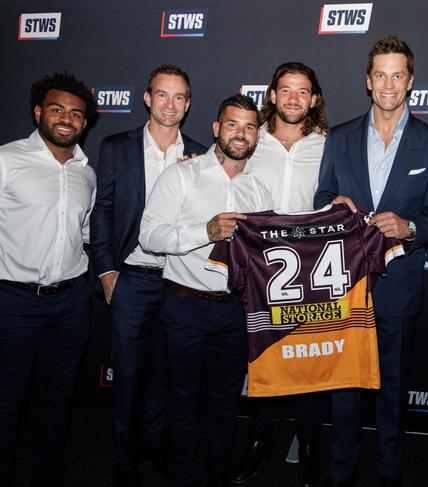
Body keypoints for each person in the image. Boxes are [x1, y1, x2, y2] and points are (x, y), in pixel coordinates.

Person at [314, 35, 428, 487]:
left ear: (410, 82)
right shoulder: (339, 137)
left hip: (399, 289)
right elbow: (320, 196)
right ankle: (341, 474)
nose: (388, 84)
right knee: (344, 393)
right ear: (367, 81)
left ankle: (390, 473)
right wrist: (331, 205)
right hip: (345, 287)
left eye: (398, 75)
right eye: (380, 75)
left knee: (392, 391)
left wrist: (410, 228)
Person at [139, 94, 273, 487]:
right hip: (185, 307)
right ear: (216, 129)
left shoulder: (259, 191)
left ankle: (215, 476)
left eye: (250, 127)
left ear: (256, 136)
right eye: (232, 124)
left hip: (234, 312)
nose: (241, 133)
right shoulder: (182, 175)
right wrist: (206, 232)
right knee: (181, 403)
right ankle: (182, 478)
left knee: (224, 404)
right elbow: (150, 235)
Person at [90, 64, 206, 487]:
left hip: (179, 282)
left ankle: (155, 449)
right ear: (147, 98)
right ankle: (124, 463)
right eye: (162, 95)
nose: (170, 104)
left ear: (188, 104)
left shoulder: (200, 155)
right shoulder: (116, 147)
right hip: (132, 279)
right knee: (128, 377)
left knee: (167, 375)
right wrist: (106, 271)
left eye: (179, 97)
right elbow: (101, 212)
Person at [232, 62, 328, 487]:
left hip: (311, 272)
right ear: (271, 95)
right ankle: (259, 442)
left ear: (314, 99)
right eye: (285, 90)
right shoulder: (249, 140)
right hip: (257, 268)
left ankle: (308, 445)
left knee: (311, 365)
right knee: (262, 359)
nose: (293, 98)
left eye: (302, 91)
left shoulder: (331, 145)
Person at [0, 72, 98, 487]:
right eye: (57, 109)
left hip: (70, 303)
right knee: (6, 401)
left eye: (76, 114)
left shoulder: (86, 174)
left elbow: (87, 234)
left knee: (58, 401)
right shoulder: (6, 159)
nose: (66, 119)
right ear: (39, 112)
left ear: (84, 123)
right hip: (12, 302)